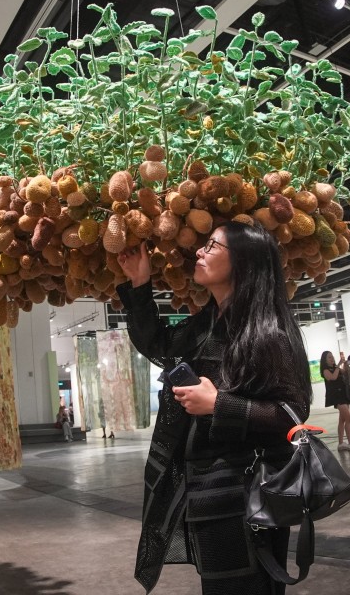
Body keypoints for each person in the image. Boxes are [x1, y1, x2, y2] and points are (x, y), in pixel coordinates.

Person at [116, 221, 312, 595]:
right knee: (221, 586)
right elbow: (159, 343)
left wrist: (219, 404)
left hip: (248, 495)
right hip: (209, 493)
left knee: (247, 586)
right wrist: (140, 284)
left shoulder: (267, 332)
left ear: (244, 261)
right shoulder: (209, 322)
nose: (201, 252)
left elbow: (292, 411)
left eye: (213, 246)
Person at [322, 350, 350, 451]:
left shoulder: (335, 368)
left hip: (343, 394)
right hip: (337, 397)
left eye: (332, 356)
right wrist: (338, 365)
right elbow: (333, 377)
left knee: (342, 420)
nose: (332, 358)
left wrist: (344, 363)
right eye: (329, 357)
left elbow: (345, 372)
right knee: (348, 418)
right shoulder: (325, 370)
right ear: (325, 360)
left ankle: (341, 444)